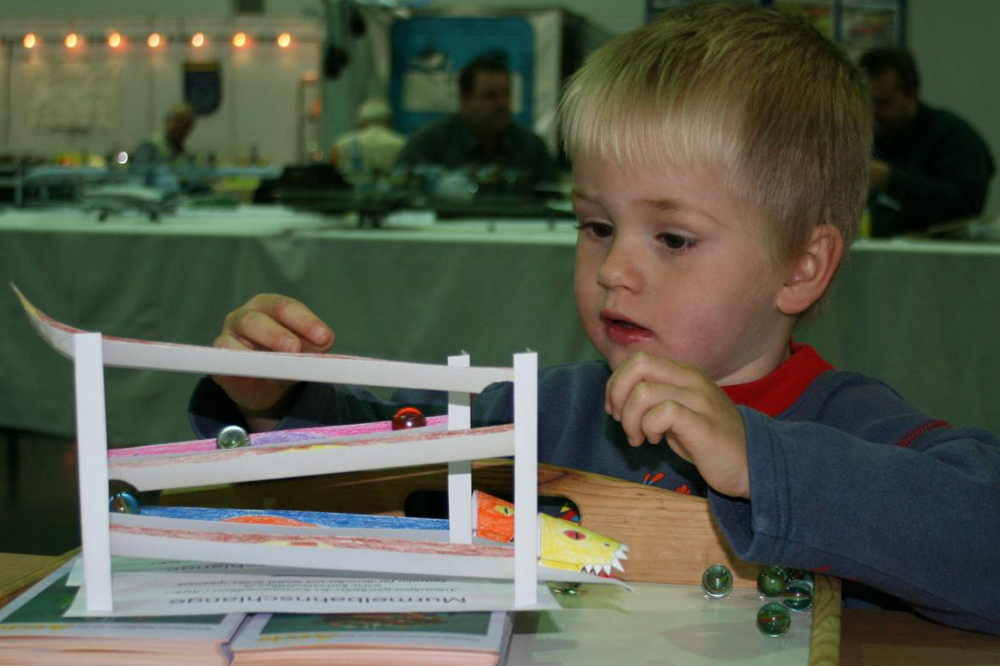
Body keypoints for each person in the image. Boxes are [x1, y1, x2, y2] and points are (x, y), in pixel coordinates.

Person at [190, 3, 1000, 635]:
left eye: (673, 238)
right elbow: (377, 467)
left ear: (803, 266)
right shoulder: (544, 412)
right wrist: (278, 400)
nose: (614, 269)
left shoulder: (854, 429)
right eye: (596, 226)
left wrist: (760, 461)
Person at [859, 48, 995, 237]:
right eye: (867, 103)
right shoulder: (868, 138)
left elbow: (965, 206)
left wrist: (891, 180)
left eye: (883, 103)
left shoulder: (955, 138)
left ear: (912, 95)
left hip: (940, 259)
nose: (874, 113)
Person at [395, 54, 557, 188]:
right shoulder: (429, 144)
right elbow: (400, 192)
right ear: (464, 100)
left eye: (506, 94)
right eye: (490, 96)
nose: (502, 104)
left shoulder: (531, 148)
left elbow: (551, 201)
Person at [331, 98, 406, 183]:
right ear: (388, 120)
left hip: (350, 192)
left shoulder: (342, 143)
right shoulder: (401, 143)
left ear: (361, 121)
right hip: (390, 193)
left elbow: (333, 171)